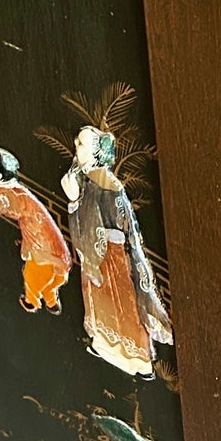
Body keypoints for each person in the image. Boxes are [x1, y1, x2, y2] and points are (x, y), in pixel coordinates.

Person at [63, 126, 172, 376]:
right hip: (93, 254)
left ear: (97, 152)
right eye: (78, 141)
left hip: (111, 256)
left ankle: (139, 361)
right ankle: (103, 346)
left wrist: (78, 204)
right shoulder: (82, 177)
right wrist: (73, 200)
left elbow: (122, 226)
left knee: (122, 308)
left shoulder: (111, 187)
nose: (75, 146)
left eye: (82, 143)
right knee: (98, 306)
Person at [0, 146, 71, 313]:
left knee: (32, 276)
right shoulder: (16, 191)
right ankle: (51, 301)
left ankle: (32, 302)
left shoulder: (14, 195)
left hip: (43, 246)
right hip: (49, 244)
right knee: (47, 279)